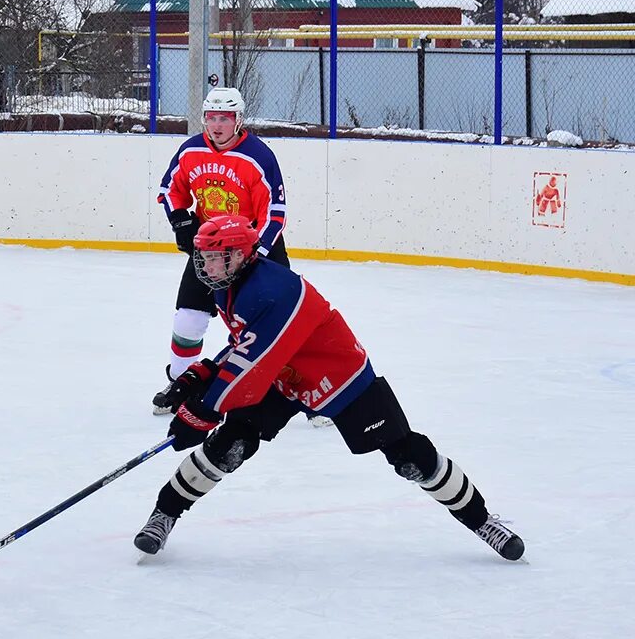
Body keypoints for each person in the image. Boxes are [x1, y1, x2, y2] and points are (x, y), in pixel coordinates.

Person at [135, 214, 525, 562]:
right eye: (203, 256)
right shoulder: (227, 284)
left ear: (240, 254)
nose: (205, 264)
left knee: (409, 455)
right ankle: (163, 514)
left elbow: (254, 360)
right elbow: (249, 345)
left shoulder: (276, 289)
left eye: (214, 256)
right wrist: (201, 374)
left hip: (337, 373)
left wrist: (202, 409)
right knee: (230, 444)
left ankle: (483, 520)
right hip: (282, 374)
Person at [152, 86, 291, 415]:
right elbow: (170, 189)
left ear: (238, 120)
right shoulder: (191, 151)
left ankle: (303, 392)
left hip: (255, 249)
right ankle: (181, 382)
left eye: (225, 118)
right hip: (211, 247)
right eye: (211, 117)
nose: (217, 125)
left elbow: (275, 213)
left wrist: (255, 253)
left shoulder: (258, 156)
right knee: (188, 319)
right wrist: (181, 222)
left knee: (280, 324)